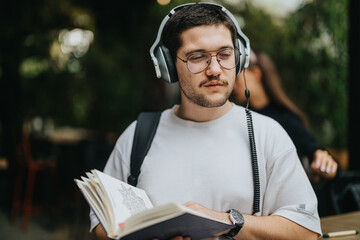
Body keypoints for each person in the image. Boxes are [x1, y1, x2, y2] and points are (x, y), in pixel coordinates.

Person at [91, 3, 321, 239]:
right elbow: (102, 225)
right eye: (197, 57)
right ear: (169, 65)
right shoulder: (138, 135)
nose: (214, 69)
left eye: (224, 54)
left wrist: (227, 220)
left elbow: (307, 231)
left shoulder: (268, 134)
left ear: (239, 58)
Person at [233, 51, 339, 182]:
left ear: (255, 73)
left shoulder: (285, 119)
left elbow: (314, 151)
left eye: (237, 77)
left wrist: (323, 161)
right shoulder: (240, 119)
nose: (233, 85)